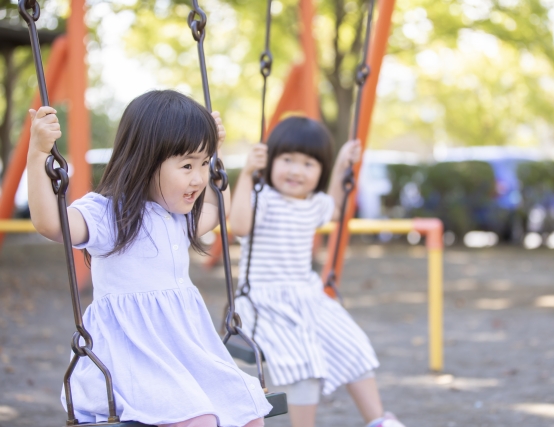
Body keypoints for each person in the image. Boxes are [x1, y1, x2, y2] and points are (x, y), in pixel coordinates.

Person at [27, 90, 271, 427]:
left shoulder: (178, 217)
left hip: (184, 350)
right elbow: (51, 224)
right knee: (198, 419)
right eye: (187, 165)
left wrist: (218, 156)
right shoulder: (109, 214)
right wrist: (38, 153)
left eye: (203, 165)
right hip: (132, 355)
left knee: (248, 413)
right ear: (145, 160)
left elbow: (221, 208)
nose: (199, 178)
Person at [229, 116, 405, 427]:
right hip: (263, 304)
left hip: (307, 297)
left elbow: (335, 208)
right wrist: (246, 174)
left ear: (319, 171)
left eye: (309, 164)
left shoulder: (311, 204)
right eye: (287, 160)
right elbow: (239, 224)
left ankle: (378, 421)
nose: (296, 170)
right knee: (304, 366)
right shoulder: (262, 199)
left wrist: (340, 166)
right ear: (269, 162)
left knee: (354, 344)